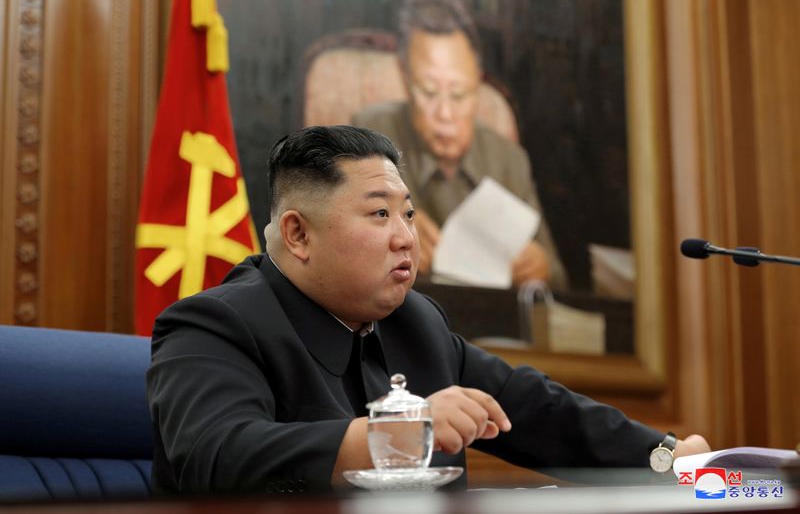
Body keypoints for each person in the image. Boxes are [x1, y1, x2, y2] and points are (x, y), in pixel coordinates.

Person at [147, 125, 709, 494]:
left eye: (409, 215)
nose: (406, 239)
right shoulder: (212, 325)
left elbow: (535, 410)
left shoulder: (416, 322)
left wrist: (667, 459)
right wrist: (396, 436)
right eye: (379, 216)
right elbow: (216, 458)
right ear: (297, 234)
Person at [352, 0, 567, 289]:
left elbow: (557, 277)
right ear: (403, 76)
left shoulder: (508, 160)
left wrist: (540, 266)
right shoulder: (369, 138)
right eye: (428, 92)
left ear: (478, 84)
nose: (445, 114)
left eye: (459, 94)